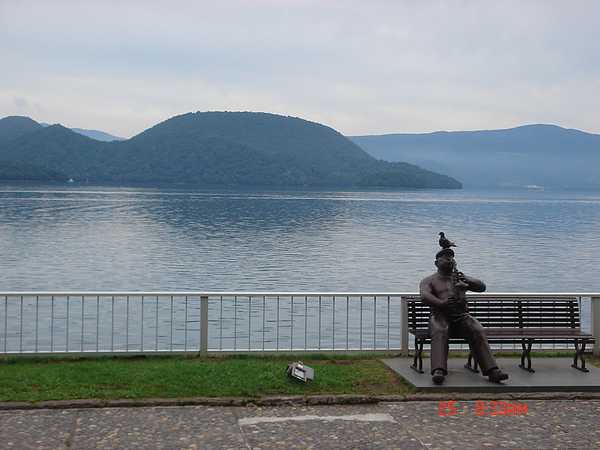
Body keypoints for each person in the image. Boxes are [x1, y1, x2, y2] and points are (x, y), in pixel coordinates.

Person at [419, 248, 509, 384]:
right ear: (436, 263)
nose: (449, 259)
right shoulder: (429, 280)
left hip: (461, 316)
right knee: (439, 331)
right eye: (445, 257)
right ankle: (439, 370)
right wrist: (441, 303)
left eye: (451, 257)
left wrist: (467, 280)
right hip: (440, 315)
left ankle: (492, 371)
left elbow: (481, 287)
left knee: (477, 330)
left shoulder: (460, 278)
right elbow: (424, 295)